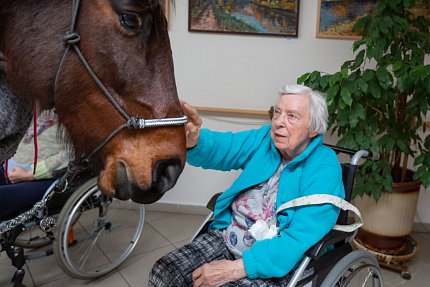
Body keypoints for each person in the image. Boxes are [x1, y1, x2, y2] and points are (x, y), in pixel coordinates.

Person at [148, 84, 345, 286]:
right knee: (164, 271)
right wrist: (193, 140)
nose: (278, 122)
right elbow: (224, 147)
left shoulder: (324, 169)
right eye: (277, 112)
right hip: (228, 237)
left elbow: (295, 240)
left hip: (275, 260)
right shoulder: (264, 139)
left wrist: (236, 269)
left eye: (291, 116)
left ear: (313, 129)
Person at [0, 110, 69, 221]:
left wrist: (30, 174)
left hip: (43, 178)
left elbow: (70, 156)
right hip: (9, 167)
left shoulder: (78, 117)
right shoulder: (47, 108)